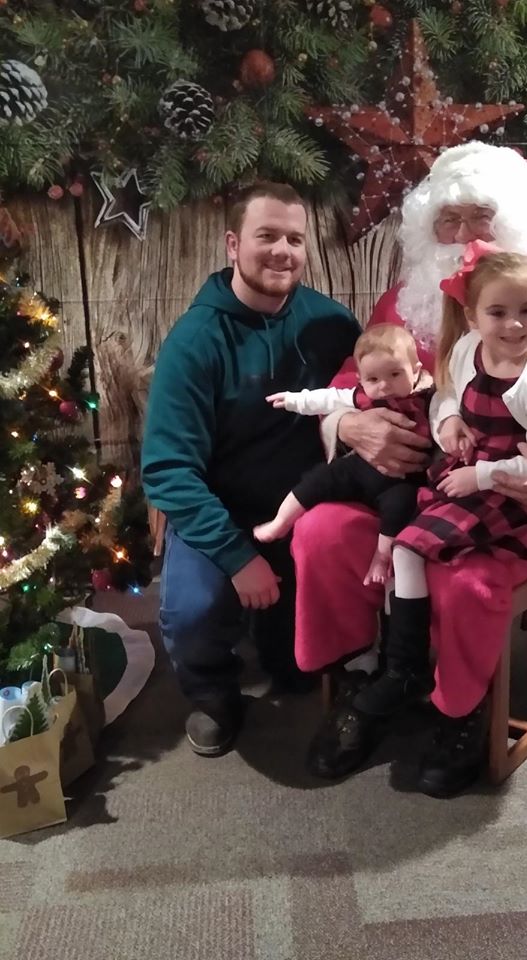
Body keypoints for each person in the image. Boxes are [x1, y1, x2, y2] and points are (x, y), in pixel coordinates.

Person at [291, 142, 527, 798]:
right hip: (399, 489)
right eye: (446, 220)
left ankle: (462, 706)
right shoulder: (403, 301)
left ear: (507, 223)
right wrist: (348, 424)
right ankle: (371, 674)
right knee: (323, 535)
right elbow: (349, 383)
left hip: (502, 493)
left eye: (478, 216)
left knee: (465, 583)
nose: (461, 234)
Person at [141, 181, 360, 756]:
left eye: (295, 238)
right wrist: (239, 560)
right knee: (194, 612)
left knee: (297, 667)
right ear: (233, 244)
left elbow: (365, 403)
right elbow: (167, 470)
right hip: (222, 514)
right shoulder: (194, 341)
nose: (282, 251)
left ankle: (287, 646)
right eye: (267, 236)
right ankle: (213, 691)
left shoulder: (334, 326)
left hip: (304, 510)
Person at [354, 246, 527, 718]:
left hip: (518, 496)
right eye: (498, 312)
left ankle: (425, 681)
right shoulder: (466, 350)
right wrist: (451, 422)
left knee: (413, 548)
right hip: (468, 473)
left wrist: (480, 475)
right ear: (473, 317)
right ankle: (407, 666)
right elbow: (449, 397)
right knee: (403, 546)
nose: (514, 325)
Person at [254, 324, 433, 586]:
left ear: (415, 371)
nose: (384, 386)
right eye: (373, 380)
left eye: (395, 374)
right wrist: (294, 401)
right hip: (359, 467)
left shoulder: (427, 397)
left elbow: (446, 415)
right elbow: (327, 399)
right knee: (317, 480)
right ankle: (281, 522)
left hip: (403, 477)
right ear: (360, 378)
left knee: (401, 506)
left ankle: (382, 558)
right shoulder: (358, 396)